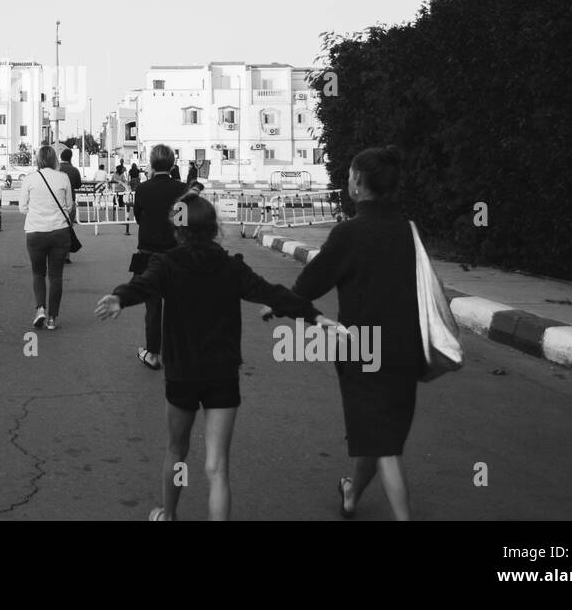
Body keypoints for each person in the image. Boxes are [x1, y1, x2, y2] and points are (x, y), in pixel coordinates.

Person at [95, 194, 328, 521]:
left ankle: (169, 513)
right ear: (214, 227)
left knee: (177, 450)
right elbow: (272, 293)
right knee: (217, 467)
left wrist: (120, 297)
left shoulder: (167, 265)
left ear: (177, 230)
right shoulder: (232, 266)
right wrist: (313, 315)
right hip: (222, 373)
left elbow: (144, 286)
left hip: (182, 373)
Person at [288, 145, 425, 521]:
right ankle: (351, 494)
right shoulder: (409, 232)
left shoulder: (349, 233)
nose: (347, 180)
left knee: (385, 447)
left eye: (350, 174)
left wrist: (278, 303)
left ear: (359, 184)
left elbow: (309, 285)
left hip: (361, 348)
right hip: (405, 348)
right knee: (379, 432)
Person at [129, 144, 188, 370]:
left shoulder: (143, 190)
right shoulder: (184, 189)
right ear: (173, 164)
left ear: (152, 164)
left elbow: (139, 219)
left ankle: (153, 354)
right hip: (176, 255)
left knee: (153, 307)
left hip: (149, 255)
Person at [18, 144, 74, 330]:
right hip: (60, 232)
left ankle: (40, 308)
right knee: (56, 276)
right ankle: (52, 319)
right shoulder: (63, 177)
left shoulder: (30, 179)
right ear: (54, 159)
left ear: (38, 160)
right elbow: (69, 205)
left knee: (38, 273)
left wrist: (36, 212)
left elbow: (22, 207)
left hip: (35, 232)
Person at [59, 148, 83, 261]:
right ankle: (66, 256)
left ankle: (56, 254)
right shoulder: (74, 170)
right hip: (70, 202)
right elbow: (78, 185)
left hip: (56, 203)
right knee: (68, 229)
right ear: (70, 158)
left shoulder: (56, 169)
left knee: (56, 228)